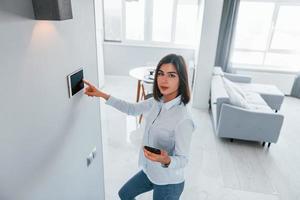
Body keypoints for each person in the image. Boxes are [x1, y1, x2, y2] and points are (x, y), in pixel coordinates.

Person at [83, 54, 195, 200]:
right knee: (125, 194)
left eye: (171, 75)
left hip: (169, 182)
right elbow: (131, 109)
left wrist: (166, 160)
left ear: (181, 80)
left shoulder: (183, 118)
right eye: (160, 74)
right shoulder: (157, 101)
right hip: (150, 171)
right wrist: (101, 94)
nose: (164, 80)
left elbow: (183, 159)